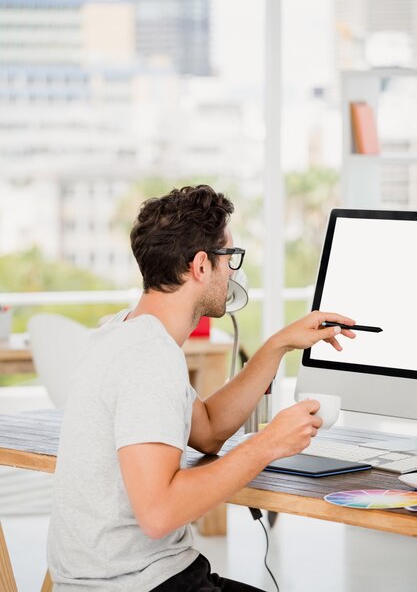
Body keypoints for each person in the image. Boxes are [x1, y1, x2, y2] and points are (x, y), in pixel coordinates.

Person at [47, 184, 355, 591]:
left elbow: (207, 430)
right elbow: (158, 514)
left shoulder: (123, 331)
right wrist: (268, 445)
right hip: (137, 584)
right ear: (200, 266)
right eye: (228, 258)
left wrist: (278, 344)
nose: (233, 272)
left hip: (135, 576)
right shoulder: (148, 358)